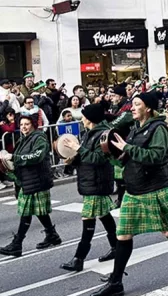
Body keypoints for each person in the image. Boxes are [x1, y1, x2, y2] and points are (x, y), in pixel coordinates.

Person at [90, 92, 168, 296]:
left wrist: (127, 148)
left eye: (136, 104)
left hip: (155, 187)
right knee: (123, 234)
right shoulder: (134, 129)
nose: (132, 107)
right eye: (132, 104)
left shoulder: (158, 128)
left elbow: (157, 156)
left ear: (148, 108)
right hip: (134, 188)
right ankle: (116, 282)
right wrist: (112, 155)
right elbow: (127, 158)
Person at [58, 103, 117, 272]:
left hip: (97, 182)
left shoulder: (103, 135)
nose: (81, 119)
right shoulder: (87, 134)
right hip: (90, 180)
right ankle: (116, 247)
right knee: (105, 216)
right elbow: (84, 156)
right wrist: (72, 159)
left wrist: (79, 149)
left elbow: (98, 159)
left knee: (88, 220)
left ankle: (79, 258)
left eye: (83, 116)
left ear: (90, 119)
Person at [0, 114, 60, 257]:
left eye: (27, 124)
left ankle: (17, 243)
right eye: (21, 125)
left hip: (37, 179)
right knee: (39, 211)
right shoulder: (24, 139)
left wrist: (14, 158)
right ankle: (52, 235)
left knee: (26, 212)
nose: (24, 127)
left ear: (33, 124)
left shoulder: (39, 138)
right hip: (29, 180)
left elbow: (37, 156)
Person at [108, 84, 134, 207]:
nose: (111, 98)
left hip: (126, 141)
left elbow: (118, 122)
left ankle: (122, 198)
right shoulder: (117, 106)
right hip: (119, 142)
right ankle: (120, 194)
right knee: (118, 173)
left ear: (119, 96)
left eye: (113, 96)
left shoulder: (127, 107)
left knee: (124, 173)